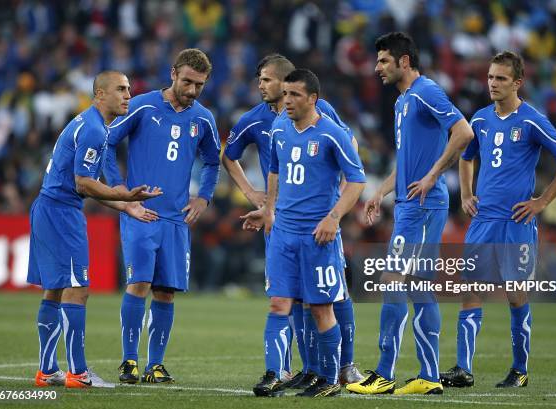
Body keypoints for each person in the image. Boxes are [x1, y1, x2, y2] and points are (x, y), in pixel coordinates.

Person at [222, 54, 363, 389]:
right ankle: (292, 370)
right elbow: (252, 164)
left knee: (331, 298)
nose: (262, 85)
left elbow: (351, 157)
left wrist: (335, 209)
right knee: (289, 300)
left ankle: (343, 367)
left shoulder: (323, 114)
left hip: (320, 225)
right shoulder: (266, 123)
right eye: (261, 79)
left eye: (268, 79)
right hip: (284, 224)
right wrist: (264, 203)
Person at [440, 51, 556, 388]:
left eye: (501, 78)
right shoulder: (480, 120)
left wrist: (541, 201)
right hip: (483, 220)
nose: (493, 83)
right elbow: (466, 156)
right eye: (490, 77)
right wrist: (467, 194)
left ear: (517, 82)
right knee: (471, 291)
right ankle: (463, 368)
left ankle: (520, 370)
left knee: (516, 294)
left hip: (516, 223)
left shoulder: (531, 120)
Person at [346, 32, 474, 395]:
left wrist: (432, 176)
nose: (377, 67)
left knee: (393, 280)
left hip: (423, 205)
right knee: (418, 288)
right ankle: (429, 376)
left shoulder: (427, 91)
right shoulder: (403, 101)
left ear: (404, 61)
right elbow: (406, 162)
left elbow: (463, 133)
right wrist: (380, 193)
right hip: (407, 204)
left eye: (383, 60)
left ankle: (385, 374)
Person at [30, 71, 162, 389]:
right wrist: (124, 195)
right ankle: (78, 373)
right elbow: (84, 183)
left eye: (130, 88)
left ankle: (47, 370)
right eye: (120, 89)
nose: (128, 94)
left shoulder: (93, 124)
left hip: (48, 208)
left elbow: (92, 186)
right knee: (79, 289)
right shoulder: (92, 129)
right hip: (61, 214)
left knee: (56, 289)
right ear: (100, 94)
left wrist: (126, 205)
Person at [104, 49, 221, 384]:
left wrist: (205, 198)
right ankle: (129, 361)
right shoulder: (142, 105)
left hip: (176, 220)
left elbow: (213, 161)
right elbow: (108, 142)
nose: (192, 90)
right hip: (141, 212)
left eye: (199, 84)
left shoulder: (203, 119)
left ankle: (155, 365)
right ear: (173, 73)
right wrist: (120, 191)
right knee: (139, 283)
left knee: (166, 292)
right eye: (187, 81)